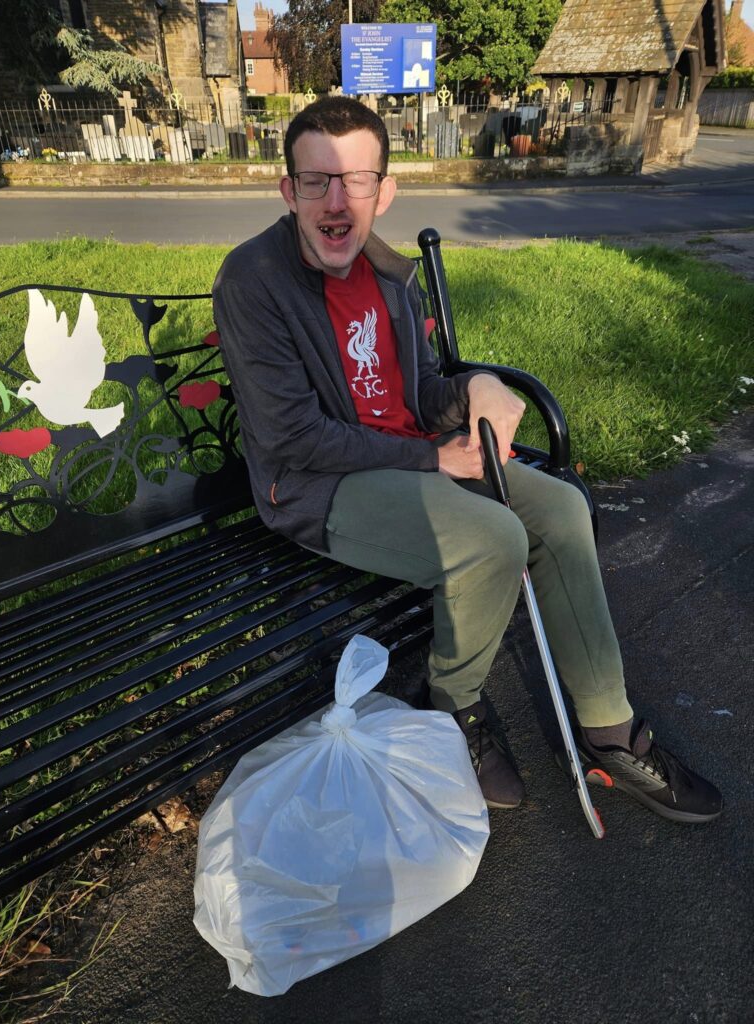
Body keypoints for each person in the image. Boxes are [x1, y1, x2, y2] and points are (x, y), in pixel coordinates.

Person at [213, 96, 722, 824]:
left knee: (560, 507)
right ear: (287, 190)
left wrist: (477, 387)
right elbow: (293, 437)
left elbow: (419, 393)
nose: (336, 201)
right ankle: (455, 706)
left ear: (384, 190)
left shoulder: (388, 273)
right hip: (316, 486)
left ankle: (610, 729)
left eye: (356, 180)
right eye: (316, 180)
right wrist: (436, 463)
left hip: (410, 457)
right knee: (493, 540)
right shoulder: (252, 280)